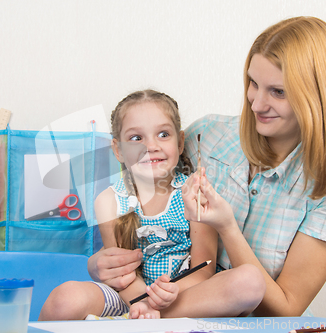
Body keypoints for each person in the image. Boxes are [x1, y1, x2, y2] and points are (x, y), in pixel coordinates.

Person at [87, 16, 326, 317]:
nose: (257, 104)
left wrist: (227, 227)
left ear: (317, 97)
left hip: (243, 315)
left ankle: (145, 321)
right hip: (162, 301)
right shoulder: (207, 137)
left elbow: (285, 309)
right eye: (253, 83)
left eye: (278, 92)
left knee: (246, 282)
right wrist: (99, 262)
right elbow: (136, 191)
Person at [39, 90, 265, 321]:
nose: (151, 146)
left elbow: (203, 270)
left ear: (179, 143)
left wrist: (166, 298)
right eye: (136, 138)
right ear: (118, 149)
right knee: (64, 299)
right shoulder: (108, 200)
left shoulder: (193, 193)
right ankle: (141, 320)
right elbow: (122, 275)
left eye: (163, 134)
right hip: (128, 298)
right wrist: (143, 304)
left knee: (249, 281)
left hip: (183, 296)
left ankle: (147, 322)